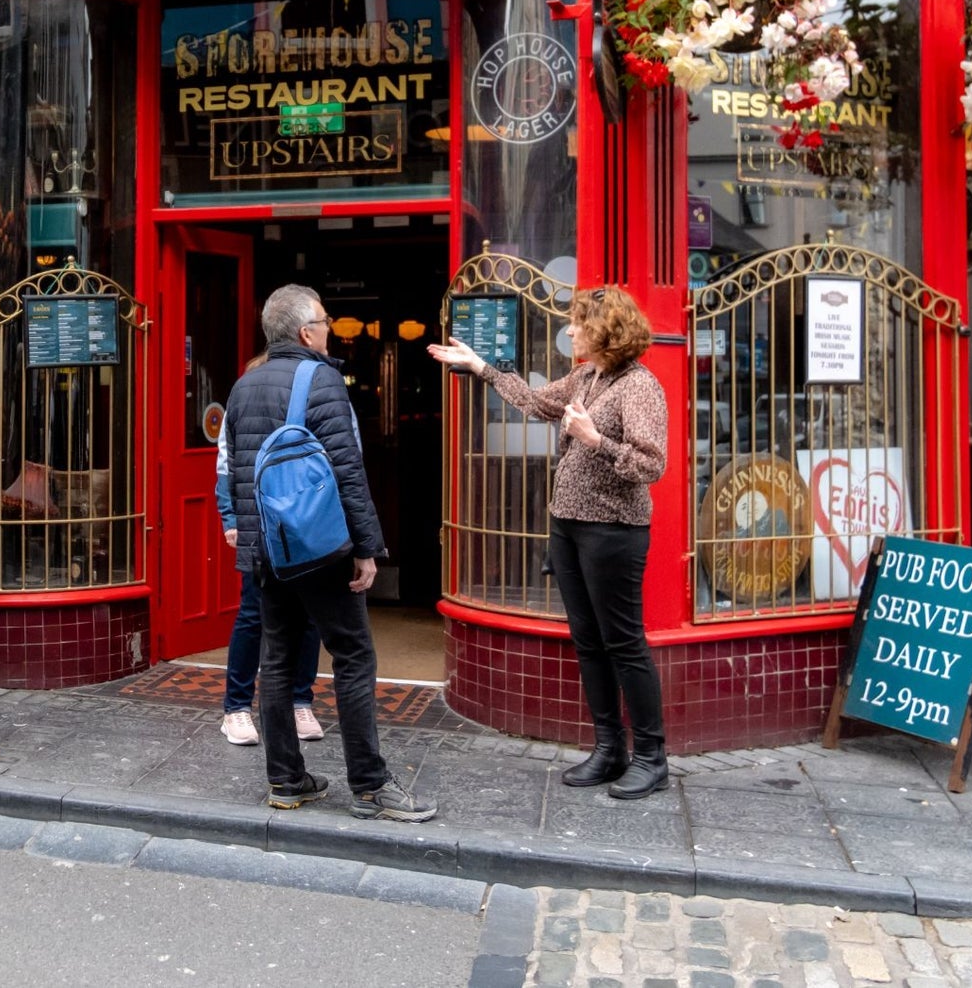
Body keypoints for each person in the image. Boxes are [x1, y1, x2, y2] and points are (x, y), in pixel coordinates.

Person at [428, 284, 670, 800]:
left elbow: (652, 464)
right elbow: (539, 403)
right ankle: (610, 750)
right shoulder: (588, 375)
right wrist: (482, 367)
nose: (572, 330)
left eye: (580, 322)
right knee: (588, 641)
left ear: (605, 330)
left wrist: (595, 441)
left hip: (614, 531)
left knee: (623, 642)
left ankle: (651, 757)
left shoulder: (639, 386)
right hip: (568, 526)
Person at [225, 284, 435, 822]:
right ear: (304, 331)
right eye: (324, 319)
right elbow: (347, 469)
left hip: (267, 551)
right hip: (319, 548)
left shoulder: (244, 386)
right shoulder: (320, 378)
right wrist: (367, 549)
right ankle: (370, 784)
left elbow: (239, 473)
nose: (330, 327)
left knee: (276, 659)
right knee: (354, 656)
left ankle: (287, 781)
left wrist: (247, 541)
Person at [215, 360, 324, 747]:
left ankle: (300, 701)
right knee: (252, 613)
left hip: (301, 520)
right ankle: (236, 708)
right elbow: (227, 465)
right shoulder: (243, 396)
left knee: (308, 615)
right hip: (258, 524)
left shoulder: (310, 394)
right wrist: (231, 518)